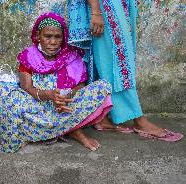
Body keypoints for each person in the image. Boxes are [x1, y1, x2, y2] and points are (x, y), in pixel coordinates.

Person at [0, 12, 113, 153]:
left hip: (66, 105)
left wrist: (66, 95)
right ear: (38, 36)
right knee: (1, 90)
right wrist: (49, 95)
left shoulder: (72, 56)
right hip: (37, 107)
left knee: (102, 87)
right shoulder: (29, 56)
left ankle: (70, 130)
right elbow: (26, 87)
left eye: (57, 37)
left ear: (63, 38)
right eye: (47, 36)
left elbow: (81, 85)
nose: (53, 42)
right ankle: (69, 129)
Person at [67, 0, 183, 141]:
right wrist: (96, 10)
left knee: (103, 58)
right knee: (120, 62)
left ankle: (101, 117)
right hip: (105, 5)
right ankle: (138, 119)